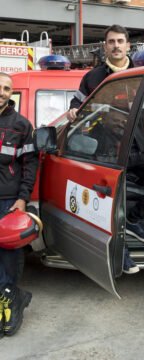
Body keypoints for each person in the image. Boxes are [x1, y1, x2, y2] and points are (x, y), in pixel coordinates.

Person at [67, 24, 144, 274]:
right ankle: (123, 254)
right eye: (111, 41)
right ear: (105, 46)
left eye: (120, 41)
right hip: (106, 151)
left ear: (128, 45)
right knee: (111, 206)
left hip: (139, 147)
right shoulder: (93, 77)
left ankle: (135, 219)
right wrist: (74, 109)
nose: (116, 45)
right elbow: (77, 102)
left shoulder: (142, 75)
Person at [0, 72, 38, 336]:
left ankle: (11, 301)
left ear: (11, 93)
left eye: (6, 88)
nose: (1, 91)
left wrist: (22, 199)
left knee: (7, 255)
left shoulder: (22, 126)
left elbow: (29, 165)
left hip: (7, 200)